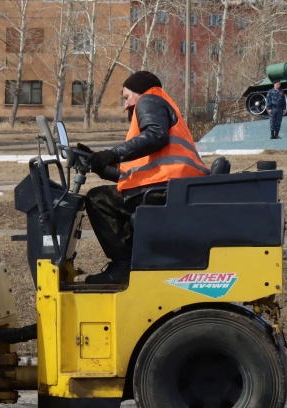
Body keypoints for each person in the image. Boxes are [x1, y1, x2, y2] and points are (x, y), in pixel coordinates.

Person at [82, 71, 210, 284]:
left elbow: (154, 136)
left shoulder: (148, 100)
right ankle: (130, 263)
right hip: (172, 185)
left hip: (166, 189)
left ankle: (123, 265)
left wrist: (113, 153)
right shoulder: (161, 105)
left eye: (126, 97)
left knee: (98, 199)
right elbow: (137, 173)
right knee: (109, 197)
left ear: (139, 91)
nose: (125, 105)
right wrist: (99, 166)